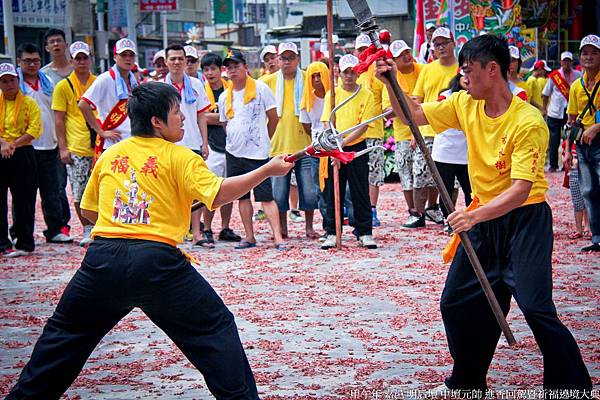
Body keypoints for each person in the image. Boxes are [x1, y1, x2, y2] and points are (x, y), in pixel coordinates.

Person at [5, 82, 294, 399]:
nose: (183, 118)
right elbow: (220, 193)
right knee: (213, 329)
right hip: (157, 264)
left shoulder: (112, 155)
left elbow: (89, 211)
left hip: (102, 260)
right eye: (175, 112)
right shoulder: (180, 157)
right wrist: (267, 169)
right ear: (157, 121)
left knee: (64, 336)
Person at [376, 34, 592, 394]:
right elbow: (413, 116)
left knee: (535, 306)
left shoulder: (528, 121)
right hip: (482, 219)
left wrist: (472, 216)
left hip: (525, 221)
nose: (464, 78)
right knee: (457, 302)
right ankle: (468, 382)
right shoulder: (464, 104)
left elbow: (521, 189)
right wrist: (391, 82)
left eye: (469, 70)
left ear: (492, 70)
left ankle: (571, 386)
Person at [218, 50, 286, 249]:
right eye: (229, 67)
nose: (232, 70)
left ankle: (278, 238)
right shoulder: (224, 96)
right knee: (242, 196)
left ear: (245, 67)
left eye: (236, 66)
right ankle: (249, 236)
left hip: (257, 152)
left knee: (266, 196)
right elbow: (225, 123)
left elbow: (273, 117)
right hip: (234, 152)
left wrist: (264, 138)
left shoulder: (260, 88)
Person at [17, 43, 72, 244]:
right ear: (19, 61)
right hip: (25, 147)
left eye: (36, 61)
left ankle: (55, 229)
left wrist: (62, 143)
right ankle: (21, 234)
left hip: (50, 145)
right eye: (27, 61)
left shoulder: (48, 82)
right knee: (24, 194)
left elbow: (60, 114)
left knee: (53, 191)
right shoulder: (14, 85)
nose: (32, 65)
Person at [320, 54, 377, 250]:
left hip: (356, 147)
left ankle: (364, 231)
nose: (349, 76)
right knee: (332, 190)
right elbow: (328, 120)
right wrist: (336, 142)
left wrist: (344, 142)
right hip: (335, 146)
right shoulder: (332, 95)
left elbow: (364, 125)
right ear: (339, 73)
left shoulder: (366, 94)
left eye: (353, 71)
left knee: (359, 189)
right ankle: (331, 231)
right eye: (346, 72)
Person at [263, 42, 319, 239]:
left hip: (304, 143)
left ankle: (309, 226)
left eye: (291, 58)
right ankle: (283, 228)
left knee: (310, 191)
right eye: (283, 58)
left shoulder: (308, 79)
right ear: (278, 60)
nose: (287, 62)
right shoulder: (267, 82)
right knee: (278, 193)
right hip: (278, 146)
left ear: (298, 59)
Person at [158, 43, 212, 247]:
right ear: (166, 62)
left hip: (193, 143)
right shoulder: (160, 87)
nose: (177, 62)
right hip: (167, 145)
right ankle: (171, 231)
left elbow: (201, 116)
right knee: (169, 190)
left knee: (194, 191)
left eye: (181, 59)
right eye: (173, 59)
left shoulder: (197, 84)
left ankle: (196, 233)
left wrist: (204, 142)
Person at [410, 27, 458, 228]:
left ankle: (450, 217)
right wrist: (415, 131)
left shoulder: (461, 68)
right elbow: (416, 100)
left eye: (444, 43)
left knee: (452, 180)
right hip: (427, 130)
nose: (441, 47)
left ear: (453, 44)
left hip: (454, 131)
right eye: (436, 44)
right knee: (420, 173)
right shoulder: (427, 69)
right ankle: (417, 214)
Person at [53, 41, 97, 246]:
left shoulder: (98, 82)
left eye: (85, 57)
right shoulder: (63, 87)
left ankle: (99, 226)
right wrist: (63, 147)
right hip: (77, 147)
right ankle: (87, 227)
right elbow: (59, 119)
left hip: (99, 146)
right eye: (77, 58)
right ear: (71, 61)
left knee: (100, 189)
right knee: (79, 191)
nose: (81, 61)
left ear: (91, 59)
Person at [0, 63, 42, 257]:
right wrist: (3, 144)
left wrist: (12, 144)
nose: (9, 84)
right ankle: (2, 243)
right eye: (4, 81)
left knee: (24, 200)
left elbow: (34, 130)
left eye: (12, 80)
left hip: (23, 152)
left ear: (18, 81)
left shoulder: (29, 103)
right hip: (1, 151)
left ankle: (24, 241)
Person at [200, 52, 241, 245]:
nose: (210, 73)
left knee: (229, 192)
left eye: (213, 69)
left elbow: (232, 116)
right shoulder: (201, 92)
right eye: (206, 70)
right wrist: (219, 118)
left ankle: (225, 227)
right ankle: (207, 228)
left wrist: (212, 118)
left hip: (232, 147)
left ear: (220, 70)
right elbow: (201, 117)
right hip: (212, 148)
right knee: (211, 191)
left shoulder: (231, 90)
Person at [382, 40, 424, 227]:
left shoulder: (423, 70)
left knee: (425, 174)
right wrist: (408, 101)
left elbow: (427, 99)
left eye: (407, 51)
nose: (407, 56)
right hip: (402, 134)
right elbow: (387, 110)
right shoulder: (391, 79)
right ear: (394, 61)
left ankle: (429, 209)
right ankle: (413, 211)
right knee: (406, 174)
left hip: (424, 130)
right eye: (401, 55)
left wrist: (406, 102)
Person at [565, 34, 600, 252]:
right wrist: (568, 150)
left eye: (594, 53)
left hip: (598, 138)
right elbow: (571, 120)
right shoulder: (576, 86)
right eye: (585, 53)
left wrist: (597, 127)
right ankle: (597, 237)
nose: (589, 57)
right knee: (588, 190)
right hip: (584, 144)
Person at [79, 38, 138, 155]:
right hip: (112, 142)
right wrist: (100, 131)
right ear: (115, 56)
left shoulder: (133, 81)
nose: (128, 58)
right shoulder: (105, 78)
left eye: (131, 55)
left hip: (132, 140)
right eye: (123, 55)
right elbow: (83, 104)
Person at [40, 28, 72, 240]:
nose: (56, 45)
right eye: (52, 42)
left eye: (59, 41)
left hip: (81, 135)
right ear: (47, 47)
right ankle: (60, 225)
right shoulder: (44, 75)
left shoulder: (79, 69)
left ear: (66, 44)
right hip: (55, 136)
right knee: (56, 185)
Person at [432, 71, 472, 234]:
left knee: (471, 189)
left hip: (467, 152)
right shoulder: (445, 96)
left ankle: (473, 218)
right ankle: (449, 220)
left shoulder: (476, 96)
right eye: (465, 77)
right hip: (445, 151)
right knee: (446, 190)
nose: (468, 80)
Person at [355, 34, 386, 227]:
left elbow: (385, 102)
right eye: (360, 50)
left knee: (373, 173)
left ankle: (372, 209)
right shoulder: (353, 71)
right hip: (353, 133)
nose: (364, 53)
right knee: (356, 175)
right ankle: (356, 208)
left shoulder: (377, 71)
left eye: (367, 49)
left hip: (373, 131)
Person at [299, 61, 330, 226]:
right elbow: (306, 126)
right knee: (320, 190)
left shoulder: (335, 96)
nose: (317, 79)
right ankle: (328, 226)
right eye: (313, 76)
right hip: (317, 150)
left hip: (335, 148)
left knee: (342, 189)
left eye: (320, 75)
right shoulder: (307, 100)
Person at [543, 51, 581, 172]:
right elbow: (545, 94)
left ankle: (568, 164)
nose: (566, 63)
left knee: (570, 138)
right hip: (555, 112)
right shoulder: (554, 76)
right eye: (564, 61)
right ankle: (553, 165)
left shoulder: (578, 75)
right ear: (561, 62)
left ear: (571, 62)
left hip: (570, 112)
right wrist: (544, 108)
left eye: (568, 61)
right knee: (554, 140)